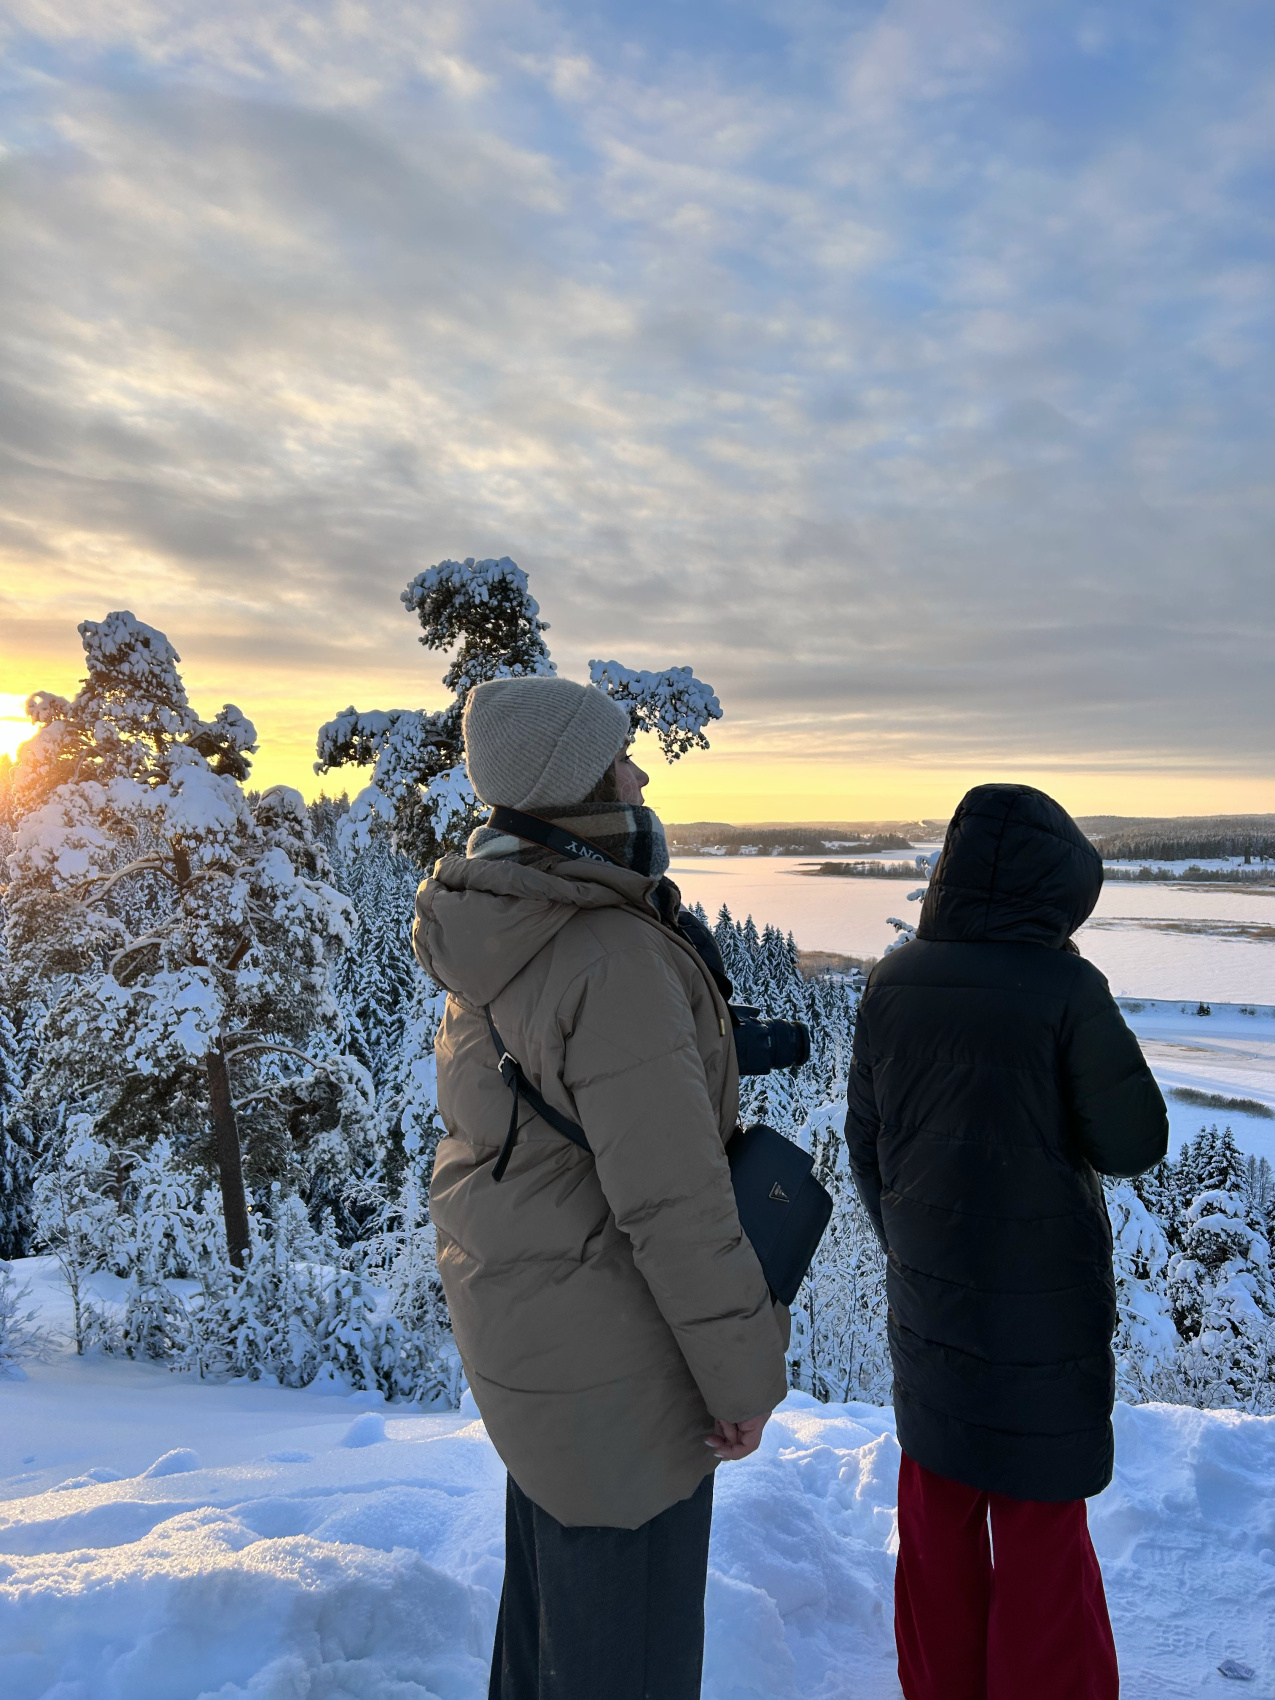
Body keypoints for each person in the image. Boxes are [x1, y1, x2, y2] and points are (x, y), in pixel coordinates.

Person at [413, 674, 789, 1700]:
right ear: (575, 786)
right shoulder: (608, 952)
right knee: (626, 1656)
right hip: (624, 1373)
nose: (639, 775)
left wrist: (712, 1046)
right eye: (621, 758)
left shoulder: (506, 918)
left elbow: (553, 1109)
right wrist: (741, 1381)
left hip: (545, 1344)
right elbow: (674, 1202)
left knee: (551, 1642)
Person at [845, 782, 1168, 1700]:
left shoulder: (891, 981)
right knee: (1038, 1529)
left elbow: (866, 1146)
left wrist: (914, 1246)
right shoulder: (1066, 988)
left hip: (930, 1298)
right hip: (1043, 1311)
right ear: (1057, 888)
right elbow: (1134, 1143)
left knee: (936, 1515)